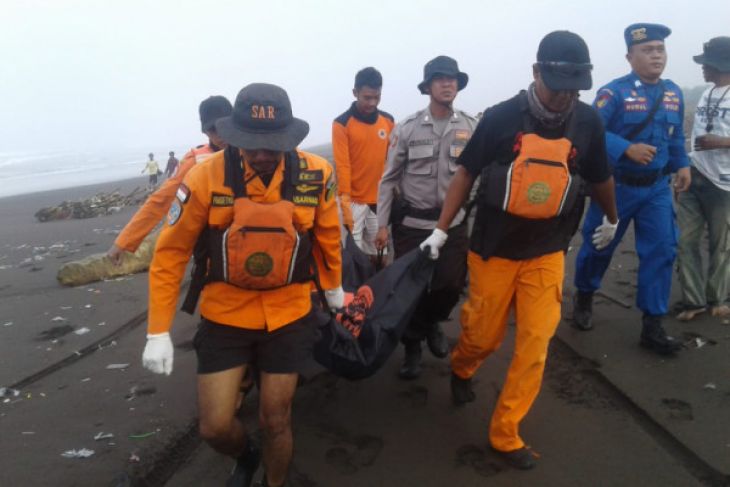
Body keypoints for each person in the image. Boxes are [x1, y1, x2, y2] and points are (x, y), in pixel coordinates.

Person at [421, 31, 618, 469]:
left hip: (548, 250)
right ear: (536, 73)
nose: (565, 96)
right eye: (557, 85)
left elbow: (601, 175)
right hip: (493, 249)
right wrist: (440, 229)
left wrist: (611, 216)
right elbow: (466, 174)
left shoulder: (588, 122)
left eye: (574, 87)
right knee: (483, 335)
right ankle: (463, 366)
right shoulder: (501, 119)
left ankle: (505, 432)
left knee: (535, 343)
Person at [141, 83, 343, 487]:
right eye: (253, 144)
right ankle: (245, 454)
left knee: (276, 418)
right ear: (232, 135)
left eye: (274, 144)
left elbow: (328, 236)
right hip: (225, 314)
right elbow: (170, 253)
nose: (263, 153)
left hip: (289, 312)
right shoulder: (203, 177)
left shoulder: (317, 174)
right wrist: (158, 330)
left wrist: (335, 288)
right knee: (214, 427)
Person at [572, 23, 692, 355]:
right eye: (647, 50)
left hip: (656, 190)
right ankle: (584, 295)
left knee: (662, 251)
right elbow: (590, 132)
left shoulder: (673, 92)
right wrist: (625, 148)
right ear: (630, 56)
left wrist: (682, 164)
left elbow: (676, 136)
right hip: (616, 187)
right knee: (599, 247)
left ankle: (652, 324)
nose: (656, 56)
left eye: (660, 49)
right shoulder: (614, 93)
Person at [374, 56, 477, 380]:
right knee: (410, 290)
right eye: (441, 79)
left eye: (453, 79)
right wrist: (381, 226)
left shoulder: (470, 127)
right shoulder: (407, 128)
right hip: (412, 226)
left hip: (454, 224)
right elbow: (389, 179)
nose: (448, 84)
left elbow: (478, 175)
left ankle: (430, 323)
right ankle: (412, 347)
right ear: (428, 87)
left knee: (450, 285)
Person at [107, 96, 232, 265]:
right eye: (212, 130)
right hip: (213, 251)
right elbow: (161, 200)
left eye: (223, 126)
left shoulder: (257, 154)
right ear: (204, 132)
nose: (219, 134)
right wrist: (123, 242)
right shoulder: (195, 161)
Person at [676, 37, 730, 320]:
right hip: (694, 173)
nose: (702, 69)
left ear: (719, 64)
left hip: (724, 184)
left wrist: (722, 142)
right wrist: (682, 167)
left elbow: (714, 138)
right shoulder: (708, 94)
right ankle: (693, 301)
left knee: (721, 245)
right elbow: (693, 137)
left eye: (705, 63)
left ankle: (718, 298)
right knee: (685, 240)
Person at [333, 67, 394, 262]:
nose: (372, 103)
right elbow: (342, 165)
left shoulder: (388, 121)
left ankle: (377, 291)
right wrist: (344, 201)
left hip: (379, 200)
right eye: (367, 97)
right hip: (352, 202)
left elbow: (393, 161)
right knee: (352, 258)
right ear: (355, 93)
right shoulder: (341, 123)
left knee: (380, 254)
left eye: (376, 97)